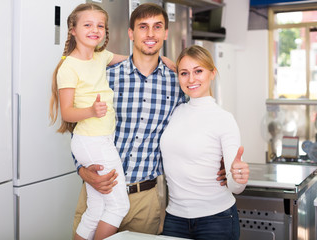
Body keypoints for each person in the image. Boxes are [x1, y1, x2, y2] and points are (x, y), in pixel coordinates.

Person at [71, 3, 249, 239]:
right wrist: (81, 170)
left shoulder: (178, 83)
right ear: (131, 33)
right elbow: (79, 128)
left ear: (166, 33)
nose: (151, 34)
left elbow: (201, 115)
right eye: (143, 27)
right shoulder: (104, 76)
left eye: (157, 27)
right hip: (99, 191)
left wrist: (221, 163)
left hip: (146, 202)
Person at [49, 3, 131, 240]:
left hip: (99, 139)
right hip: (91, 141)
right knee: (119, 206)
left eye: (100, 26)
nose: (95, 29)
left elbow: (131, 59)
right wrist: (91, 111)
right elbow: (66, 113)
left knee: (96, 209)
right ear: (73, 29)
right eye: (87, 24)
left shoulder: (101, 56)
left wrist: (165, 61)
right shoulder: (68, 67)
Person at [160, 45, 250, 240]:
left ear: (212, 73)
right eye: (184, 73)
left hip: (216, 220)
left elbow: (235, 186)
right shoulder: (176, 112)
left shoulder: (224, 119)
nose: (191, 79)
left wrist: (238, 177)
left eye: (198, 71)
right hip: (174, 218)